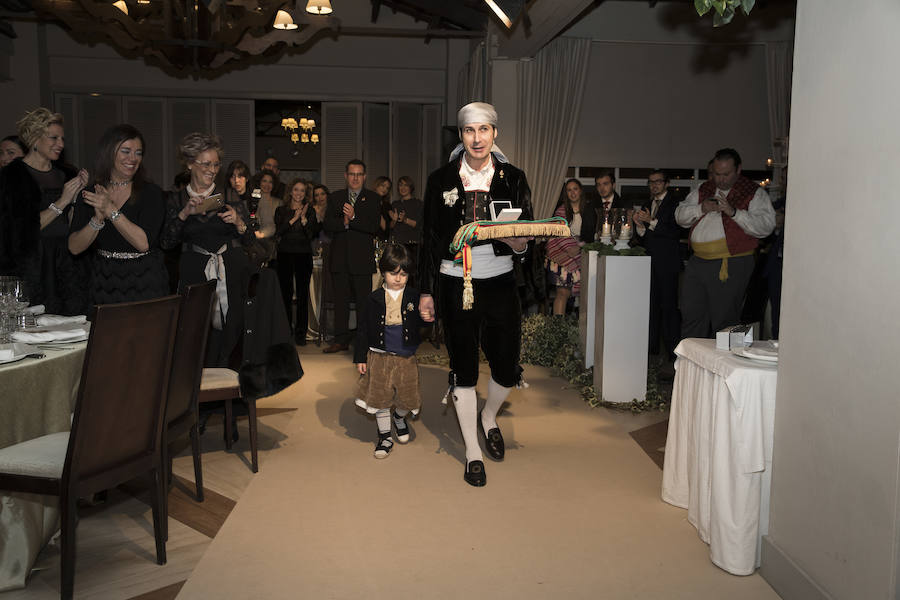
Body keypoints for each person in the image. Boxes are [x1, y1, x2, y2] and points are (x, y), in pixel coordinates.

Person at [418, 101, 532, 487]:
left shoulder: (513, 178)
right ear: (462, 136)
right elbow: (429, 241)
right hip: (454, 283)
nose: (477, 138)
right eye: (470, 131)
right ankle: (472, 451)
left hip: (500, 282)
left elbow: (524, 239)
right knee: (463, 368)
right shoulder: (440, 180)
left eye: (484, 130)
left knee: (506, 364)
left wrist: (519, 244)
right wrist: (425, 292)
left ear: (494, 133)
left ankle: (489, 417)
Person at [160, 132, 251, 366]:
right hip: (194, 274)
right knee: (195, 337)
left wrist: (239, 223)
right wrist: (184, 214)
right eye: (206, 164)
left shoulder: (230, 196)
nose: (213, 169)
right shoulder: (176, 200)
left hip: (229, 272)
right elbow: (167, 242)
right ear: (190, 163)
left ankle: (230, 394)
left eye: (216, 164)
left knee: (231, 336)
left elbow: (252, 242)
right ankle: (198, 397)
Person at [675, 148, 775, 338]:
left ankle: (726, 366)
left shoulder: (754, 192)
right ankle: (691, 365)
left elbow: (766, 226)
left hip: (731, 263)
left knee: (726, 320)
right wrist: (701, 208)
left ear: (738, 169)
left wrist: (734, 212)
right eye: (716, 174)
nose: (720, 179)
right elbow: (680, 216)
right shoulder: (704, 189)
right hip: (698, 263)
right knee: (691, 315)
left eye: (726, 174)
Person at [0, 107, 90, 315]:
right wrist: (62, 201)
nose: (60, 144)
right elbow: (21, 229)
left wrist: (78, 199)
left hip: (67, 263)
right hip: (33, 264)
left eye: (62, 138)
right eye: (53, 138)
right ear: (34, 139)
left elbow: (73, 223)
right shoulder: (12, 176)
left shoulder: (67, 173)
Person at [68, 124, 169, 305]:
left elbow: (143, 243)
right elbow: (74, 247)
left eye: (138, 153)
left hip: (144, 281)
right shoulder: (92, 193)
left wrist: (110, 210)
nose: (133, 158)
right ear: (109, 152)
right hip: (104, 281)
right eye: (126, 151)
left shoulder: (151, 193)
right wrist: (97, 219)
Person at [353, 243, 432, 458]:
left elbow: (423, 327)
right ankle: (385, 436)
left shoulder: (415, 297)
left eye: (404, 274)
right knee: (379, 398)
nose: (398, 279)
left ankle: (399, 416)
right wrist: (360, 357)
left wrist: (427, 318)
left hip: (406, 357)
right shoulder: (373, 299)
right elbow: (363, 329)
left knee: (410, 397)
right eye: (392, 273)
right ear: (382, 271)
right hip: (378, 357)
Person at [321, 159, 380, 354]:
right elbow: (328, 225)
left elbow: (373, 227)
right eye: (352, 174)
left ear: (364, 177)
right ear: (346, 176)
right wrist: (344, 223)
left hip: (362, 261)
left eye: (359, 174)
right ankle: (340, 340)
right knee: (341, 303)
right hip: (339, 260)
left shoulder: (373, 198)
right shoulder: (336, 197)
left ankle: (363, 342)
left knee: (364, 304)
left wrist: (353, 218)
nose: (355, 178)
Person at [632, 169, 685, 368]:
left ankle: (673, 354)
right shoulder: (648, 204)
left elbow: (674, 231)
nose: (654, 185)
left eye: (658, 182)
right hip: (650, 262)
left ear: (667, 183)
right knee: (651, 307)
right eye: (651, 182)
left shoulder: (676, 204)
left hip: (668, 263)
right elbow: (644, 237)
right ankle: (651, 351)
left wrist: (650, 222)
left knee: (669, 308)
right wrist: (639, 225)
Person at [274, 178, 321, 345]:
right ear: (290, 192)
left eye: (302, 191)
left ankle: (301, 334)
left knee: (302, 295)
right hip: (285, 254)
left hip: (303, 254)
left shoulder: (310, 211)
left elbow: (311, 235)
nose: (299, 193)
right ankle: (286, 332)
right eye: (296, 190)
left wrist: (304, 220)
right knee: (285, 295)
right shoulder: (281, 210)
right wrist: (294, 218)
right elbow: (278, 232)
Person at [546, 178, 594, 315]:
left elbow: (593, 235)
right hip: (562, 257)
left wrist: (578, 246)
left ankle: (580, 331)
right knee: (562, 293)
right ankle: (558, 331)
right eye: (569, 190)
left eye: (575, 189)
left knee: (586, 295)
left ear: (581, 191)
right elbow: (557, 234)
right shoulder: (560, 211)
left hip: (584, 256)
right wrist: (569, 248)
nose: (572, 193)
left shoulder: (589, 210)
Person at [388, 175, 423, 286]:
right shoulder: (395, 204)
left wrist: (405, 220)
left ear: (411, 188)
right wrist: (394, 220)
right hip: (397, 245)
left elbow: (419, 225)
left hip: (412, 245)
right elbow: (391, 226)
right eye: (400, 185)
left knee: (411, 276)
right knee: (395, 275)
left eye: (406, 185)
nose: (403, 188)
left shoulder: (418, 203)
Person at [253, 169, 279, 266]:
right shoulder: (252, 201)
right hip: (255, 246)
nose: (267, 185)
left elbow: (278, 226)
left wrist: (262, 235)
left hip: (273, 248)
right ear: (259, 182)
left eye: (270, 182)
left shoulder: (279, 203)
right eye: (264, 181)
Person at [372, 175, 393, 242]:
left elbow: (386, 228)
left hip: (383, 240)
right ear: (376, 185)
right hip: (369, 239)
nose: (385, 189)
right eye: (383, 186)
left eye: (387, 188)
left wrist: (394, 220)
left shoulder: (387, 205)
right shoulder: (367, 200)